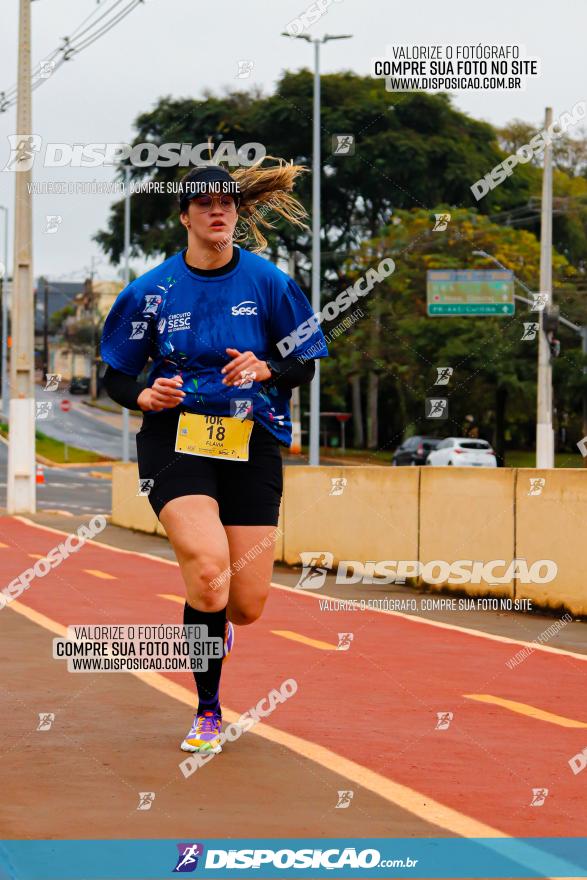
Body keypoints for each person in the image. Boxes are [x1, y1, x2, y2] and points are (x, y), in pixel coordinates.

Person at [100, 159, 328, 754]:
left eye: (226, 201)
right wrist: (146, 394)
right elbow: (116, 379)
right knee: (207, 576)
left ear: (237, 212)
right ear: (185, 217)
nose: (217, 209)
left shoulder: (270, 282)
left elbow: (303, 362)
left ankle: (213, 622)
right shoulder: (149, 291)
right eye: (204, 203)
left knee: (245, 605)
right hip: (176, 443)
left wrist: (267, 367)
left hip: (253, 440)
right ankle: (207, 710)